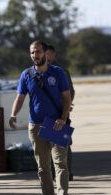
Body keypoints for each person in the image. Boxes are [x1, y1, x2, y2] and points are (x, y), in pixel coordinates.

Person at [9, 40, 73, 195]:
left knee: (60, 163)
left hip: (56, 124)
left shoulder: (58, 73)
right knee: (43, 167)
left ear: (45, 53)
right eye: (32, 52)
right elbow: (20, 98)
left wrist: (63, 118)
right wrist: (13, 114)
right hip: (36, 125)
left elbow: (67, 98)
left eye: (37, 52)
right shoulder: (26, 74)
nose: (34, 55)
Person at [46, 44, 75, 181]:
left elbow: (70, 92)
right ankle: (52, 173)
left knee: (63, 143)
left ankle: (66, 173)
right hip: (45, 113)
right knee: (47, 143)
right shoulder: (39, 70)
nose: (45, 56)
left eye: (48, 54)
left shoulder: (61, 71)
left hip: (60, 112)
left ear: (53, 54)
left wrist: (64, 106)